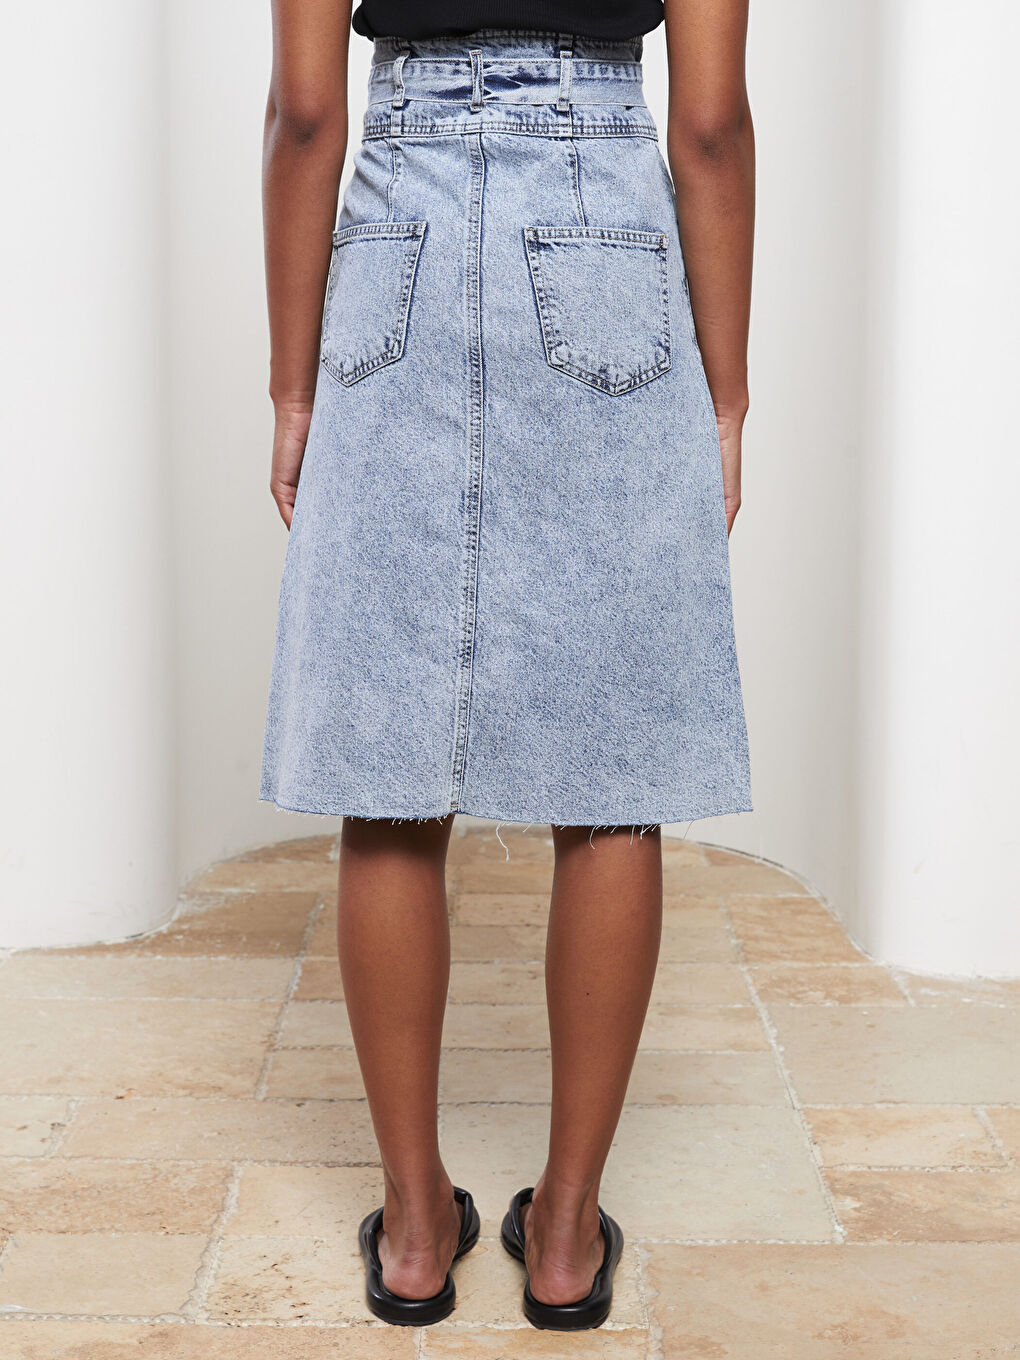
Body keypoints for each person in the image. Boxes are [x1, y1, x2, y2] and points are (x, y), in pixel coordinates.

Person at [259, 0, 753, 1331]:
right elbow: (710, 125)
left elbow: (305, 113)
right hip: (606, 217)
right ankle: (569, 1238)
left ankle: (417, 1232)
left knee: (390, 771)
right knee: (611, 776)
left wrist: (293, 388)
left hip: (398, 226)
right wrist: (725, 391)